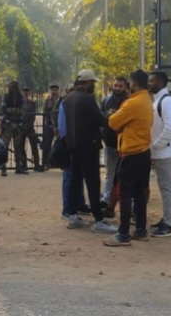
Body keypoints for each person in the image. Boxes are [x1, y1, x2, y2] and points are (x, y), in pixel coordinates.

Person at [63, 69, 118, 234]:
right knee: (93, 183)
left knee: (75, 181)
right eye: (92, 83)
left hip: (73, 145)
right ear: (86, 83)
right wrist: (110, 115)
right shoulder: (87, 99)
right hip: (89, 146)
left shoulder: (68, 99)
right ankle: (99, 220)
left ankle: (73, 215)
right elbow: (100, 120)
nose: (93, 86)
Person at [103, 69, 154, 246]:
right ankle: (140, 229)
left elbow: (113, 122)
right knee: (140, 193)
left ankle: (123, 234)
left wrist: (113, 117)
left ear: (133, 83)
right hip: (144, 152)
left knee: (125, 194)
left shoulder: (132, 103)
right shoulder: (147, 100)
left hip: (131, 153)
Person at [148, 71, 171, 238]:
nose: (149, 84)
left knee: (167, 188)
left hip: (164, 152)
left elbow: (170, 128)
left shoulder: (167, 101)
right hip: (159, 152)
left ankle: (168, 223)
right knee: (163, 187)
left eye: (151, 81)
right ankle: (166, 218)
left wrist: (156, 145)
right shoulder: (158, 100)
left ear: (159, 82)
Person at [56, 83, 90, 220]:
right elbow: (62, 127)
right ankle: (67, 209)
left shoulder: (78, 104)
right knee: (69, 176)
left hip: (79, 144)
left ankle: (80, 204)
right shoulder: (65, 104)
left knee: (79, 175)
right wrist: (67, 142)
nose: (72, 92)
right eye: (70, 90)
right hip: (68, 144)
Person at [100, 76, 128, 211]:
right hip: (110, 142)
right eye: (116, 85)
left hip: (126, 144)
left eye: (120, 86)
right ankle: (106, 199)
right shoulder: (106, 101)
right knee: (110, 173)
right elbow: (101, 119)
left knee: (126, 175)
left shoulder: (129, 101)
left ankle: (127, 201)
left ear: (126, 87)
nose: (117, 88)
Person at [0, 81, 27, 175]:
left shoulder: (20, 97)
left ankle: (18, 166)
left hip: (18, 124)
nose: (11, 88)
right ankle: (3, 167)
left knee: (18, 147)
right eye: (10, 86)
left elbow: (23, 110)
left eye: (13, 86)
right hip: (8, 124)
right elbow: (3, 109)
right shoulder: (6, 96)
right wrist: (16, 111)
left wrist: (11, 111)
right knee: (5, 146)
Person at [20, 87, 44, 172]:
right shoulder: (20, 102)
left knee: (34, 145)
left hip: (30, 127)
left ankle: (37, 164)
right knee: (21, 147)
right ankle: (24, 164)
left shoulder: (32, 103)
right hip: (22, 126)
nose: (25, 93)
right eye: (24, 91)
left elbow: (33, 115)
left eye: (27, 91)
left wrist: (29, 124)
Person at [42, 84, 60, 169]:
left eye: (55, 90)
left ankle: (59, 163)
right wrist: (45, 122)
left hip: (58, 124)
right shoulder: (48, 101)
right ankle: (46, 163)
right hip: (49, 125)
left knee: (60, 144)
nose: (54, 92)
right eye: (52, 90)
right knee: (47, 144)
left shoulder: (61, 100)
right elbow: (45, 112)